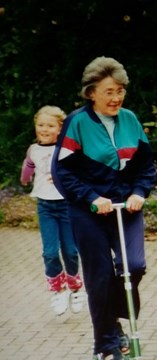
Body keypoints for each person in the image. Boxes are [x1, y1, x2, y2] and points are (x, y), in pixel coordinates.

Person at [51, 57, 156, 360]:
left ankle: (115, 324)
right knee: (99, 277)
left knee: (132, 266)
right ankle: (106, 344)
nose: (116, 98)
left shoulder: (131, 120)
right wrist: (91, 197)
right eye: (109, 91)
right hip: (89, 211)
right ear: (91, 93)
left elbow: (146, 166)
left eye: (120, 90)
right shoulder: (77, 122)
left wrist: (139, 191)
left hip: (126, 207)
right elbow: (63, 172)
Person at [20, 105, 85, 316]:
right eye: (40, 125)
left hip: (66, 205)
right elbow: (29, 165)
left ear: (60, 129)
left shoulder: (65, 149)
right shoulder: (34, 149)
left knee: (70, 251)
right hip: (45, 206)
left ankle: (75, 287)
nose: (44, 129)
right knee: (49, 252)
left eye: (50, 125)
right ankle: (58, 289)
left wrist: (63, 177)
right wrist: (25, 178)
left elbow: (79, 170)